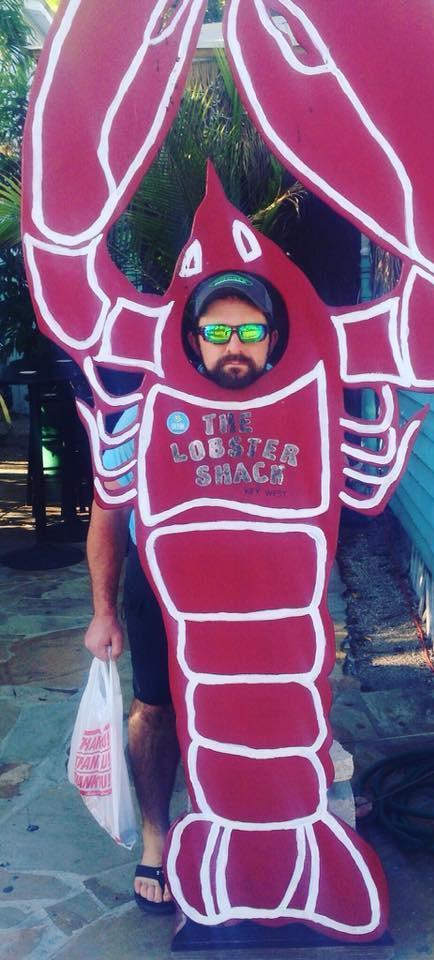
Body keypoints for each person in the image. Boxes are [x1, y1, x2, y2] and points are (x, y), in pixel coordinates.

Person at [83, 271, 280, 912]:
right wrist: (104, 611)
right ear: (195, 341)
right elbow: (109, 512)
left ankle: (249, 831)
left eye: (249, 332)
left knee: (260, 710)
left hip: (262, 583)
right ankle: (155, 837)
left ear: (270, 339)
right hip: (159, 582)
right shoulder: (143, 408)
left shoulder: (294, 404)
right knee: (156, 710)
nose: (234, 346)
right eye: (218, 332)